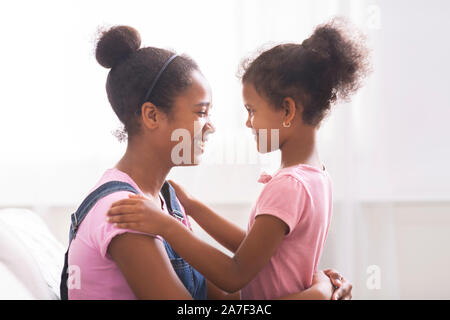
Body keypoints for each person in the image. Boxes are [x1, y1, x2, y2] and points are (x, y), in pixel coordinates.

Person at [67, 25, 352, 300]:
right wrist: (316, 294)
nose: (211, 127)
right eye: (201, 113)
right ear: (152, 116)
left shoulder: (166, 202)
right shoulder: (124, 212)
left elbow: (225, 292)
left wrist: (315, 283)